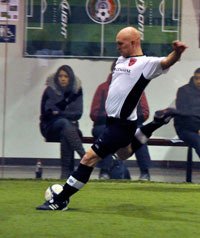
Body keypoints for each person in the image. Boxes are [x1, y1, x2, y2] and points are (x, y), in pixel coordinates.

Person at [36, 26, 187, 210]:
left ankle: (60, 200)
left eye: (120, 44)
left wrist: (177, 52)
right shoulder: (120, 60)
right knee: (125, 153)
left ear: (134, 42)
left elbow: (166, 62)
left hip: (121, 126)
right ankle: (156, 123)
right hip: (116, 122)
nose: (117, 47)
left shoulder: (145, 64)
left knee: (88, 159)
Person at [90, 61, 151, 180]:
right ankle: (105, 171)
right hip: (106, 124)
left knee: (139, 134)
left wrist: (128, 117)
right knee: (104, 133)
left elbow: (145, 112)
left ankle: (145, 172)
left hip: (131, 125)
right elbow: (94, 113)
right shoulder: (103, 88)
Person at [39, 65, 85, 179]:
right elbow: (47, 113)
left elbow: (78, 113)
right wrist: (65, 113)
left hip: (70, 128)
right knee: (65, 123)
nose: (63, 78)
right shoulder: (50, 90)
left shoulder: (76, 90)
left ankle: (66, 175)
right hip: (50, 127)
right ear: (56, 78)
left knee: (66, 131)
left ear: (71, 78)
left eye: (66, 76)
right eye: (60, 76)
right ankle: (84, 156)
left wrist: (58, 112)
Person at [174, 68, 200, 157]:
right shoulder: (183, 91)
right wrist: (197, 129)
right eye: (196, 78)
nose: (198, 81)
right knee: (199, 141)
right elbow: (184, 114)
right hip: (186, 129)